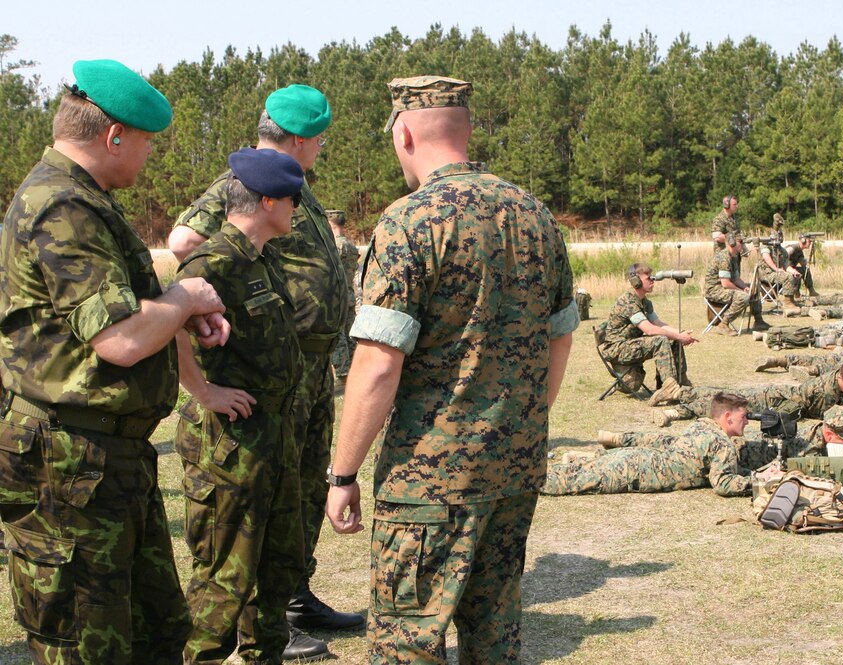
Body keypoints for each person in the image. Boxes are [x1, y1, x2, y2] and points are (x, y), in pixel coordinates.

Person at [325, 75, 578, 664]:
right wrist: (525, 420)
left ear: (405, 133)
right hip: (512, 468)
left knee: (407, 641)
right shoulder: (535, 215)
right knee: (494, 635)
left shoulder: (409, 222)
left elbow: (378, 364)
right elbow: (560, 336)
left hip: (428, 481)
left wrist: (343, 474)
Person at [0, 59, 230, 664]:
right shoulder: (63, 207)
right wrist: (187, 298)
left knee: (155, 630)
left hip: (106, 458)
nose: (148, 157)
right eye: (148, 143)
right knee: (87, 644)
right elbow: (120, 342)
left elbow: (124, 307)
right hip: (70, 462)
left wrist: (178, 313)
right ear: (115, 136)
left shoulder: (84, 199)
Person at [168, 84, 357, 658]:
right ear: (299, 138)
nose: (321, 149)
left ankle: (289, 598)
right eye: (320, 139)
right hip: (262, 372)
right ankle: (265, 609)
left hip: (301, 368)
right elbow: (183, 244)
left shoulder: (295, 192)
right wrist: (212, 307)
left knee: (294, 499)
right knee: (246, 525)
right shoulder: (249, 188)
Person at [173, 148, 307, 663]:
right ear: (267, 200)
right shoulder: (213, 263)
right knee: (224, 578)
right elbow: (171, 330)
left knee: (277, 568)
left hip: (273, 432)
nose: (297, 207)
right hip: (231, 443)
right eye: (292, 199)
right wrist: (203, 392)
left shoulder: (260, 258)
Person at [544, 393, 808, 497]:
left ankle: (549, 469)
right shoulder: (722, 444)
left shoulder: (702, 425)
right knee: (570, 483)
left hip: (637, 457)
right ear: (727, 417)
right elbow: (724, 484)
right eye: (742, 417)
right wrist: (762, 480)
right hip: (638, 470)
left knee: (585, 470)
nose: (747, 423)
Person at [651, 361, 843, 427]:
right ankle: (681, 405)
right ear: (839, 379)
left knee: (729, 395)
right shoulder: (825, 389)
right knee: (728, 403)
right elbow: (829, 415)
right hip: (774, 400)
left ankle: (680, 391)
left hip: (782, 398)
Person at [602, 263, 698, 390]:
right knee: (660, 340)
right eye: (648, 278)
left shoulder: (645, 302)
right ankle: (670, 389)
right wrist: (679, 336)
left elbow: (658, 324)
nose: (652, 281)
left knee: (671, 339)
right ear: (636, 282)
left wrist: (680, 333)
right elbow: (650, 330)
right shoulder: (629, 301)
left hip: (630, 344)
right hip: (617, 348)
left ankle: (681, 382)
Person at [327, 210, 360, 380]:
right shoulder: (352, 246)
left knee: (338, 335)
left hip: (337, 296)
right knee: (350, 334)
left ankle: (343, 373)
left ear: (331, 225)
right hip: (349, 295)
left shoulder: (334, 247)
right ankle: (355, 369)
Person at [755, 238, 803, 314]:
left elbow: (786, 265)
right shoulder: (765, 247)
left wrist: (794, 271)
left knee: (795, 276)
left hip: (776, 273)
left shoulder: (782, 250)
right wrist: (776, 269)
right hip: (766, 274)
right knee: (788, 277)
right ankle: (787, 303)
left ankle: (791, 300)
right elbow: (766, 258)